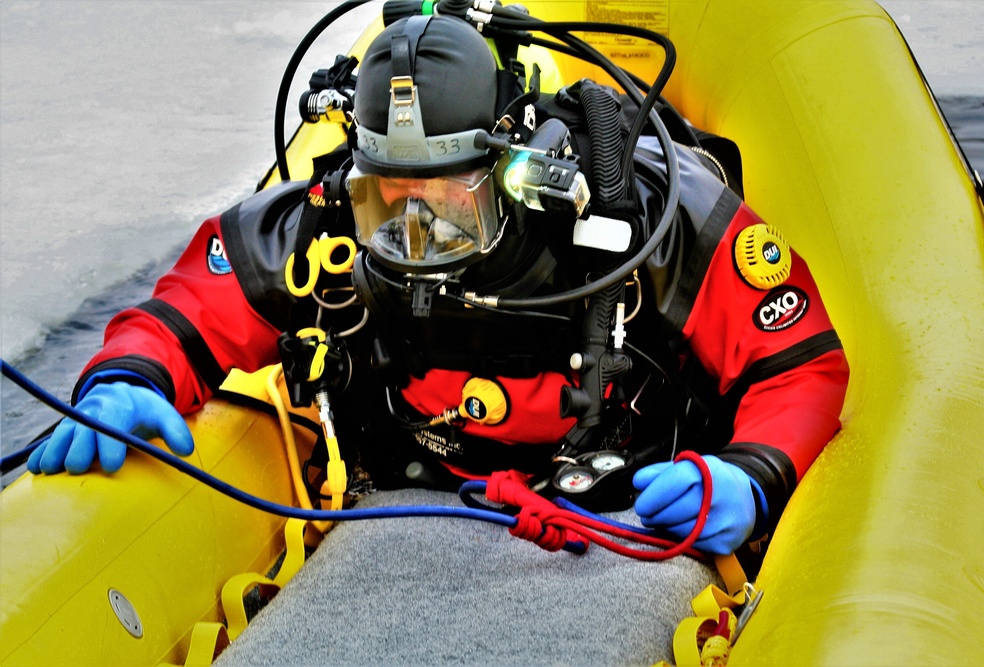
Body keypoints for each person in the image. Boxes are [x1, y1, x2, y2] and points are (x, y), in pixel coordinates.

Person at [26, 12, 848, 556]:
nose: (417, 236)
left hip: (633, 501)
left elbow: (799, 360)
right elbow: (191, 305)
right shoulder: (328, 224)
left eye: (451, 204)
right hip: (414, 503)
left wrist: (751, 472)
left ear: (512, 167)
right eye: (388, 202)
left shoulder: (648, 215)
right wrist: (129, 375)